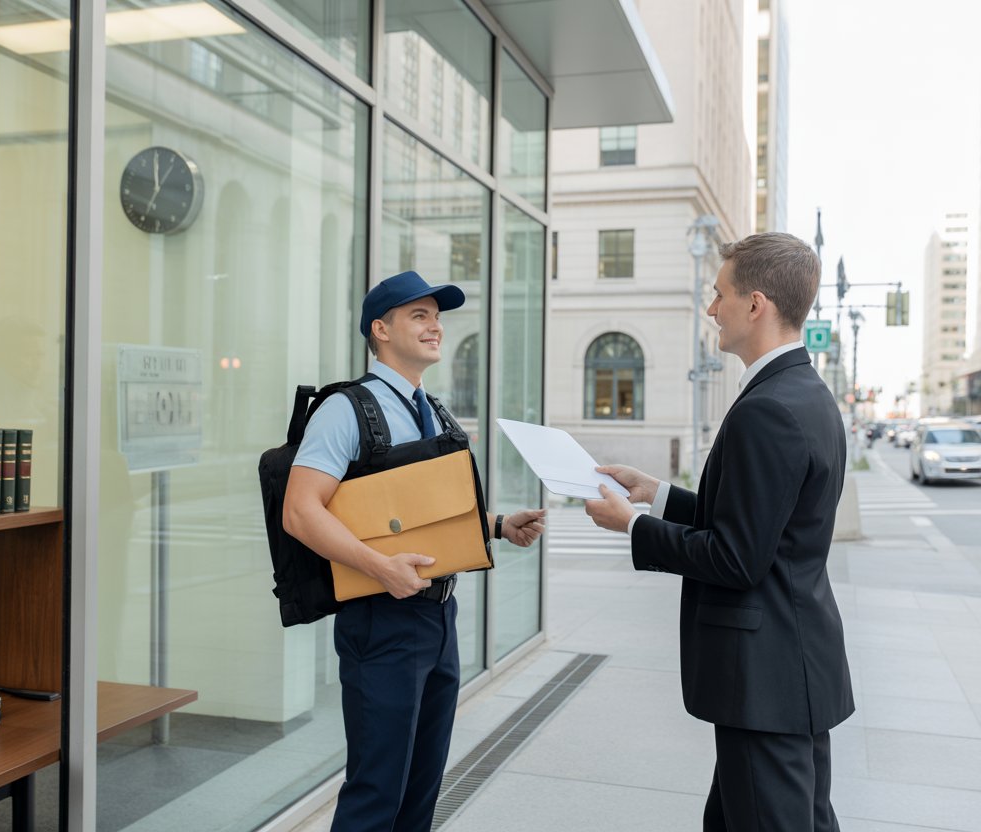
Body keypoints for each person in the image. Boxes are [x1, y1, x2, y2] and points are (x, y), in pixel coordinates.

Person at [585, 232, 853, 832]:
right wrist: (657, 493)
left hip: (766, 677)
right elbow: (760, 523)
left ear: (755, 304)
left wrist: (633, 526)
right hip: (790, 667)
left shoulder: (768, 408)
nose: (712, 308)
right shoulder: (804, 393)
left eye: (720, 293)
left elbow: (737, 558)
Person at [283, 270, 546, 832]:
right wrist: (380, 567)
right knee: (377, 791)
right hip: (381, 619)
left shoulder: (433, 408)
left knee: (422, 787)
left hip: (437, 617)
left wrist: (499, 525)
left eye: (437, 316)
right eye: (418, 316)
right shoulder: (346, 409)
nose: (435, 328)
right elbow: (300, 511)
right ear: (380, 330)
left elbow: (420, 517)